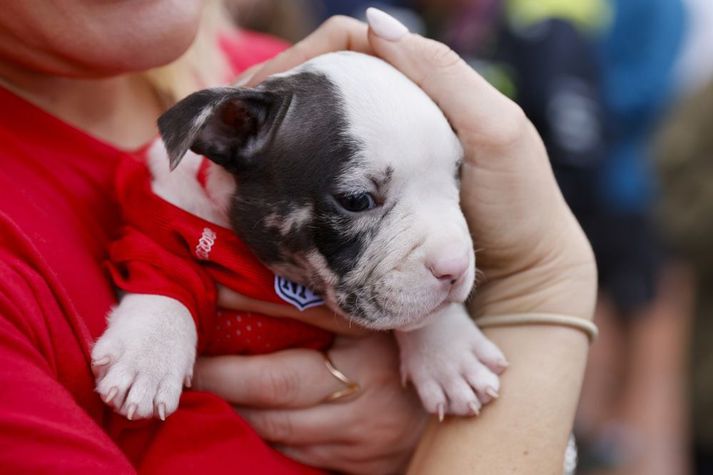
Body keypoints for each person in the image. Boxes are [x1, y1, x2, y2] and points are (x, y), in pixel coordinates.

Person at [0, 3, 596, 474]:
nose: (451, 255)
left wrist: (432, 425)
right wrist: (542, 293)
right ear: (220, 136)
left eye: (454, 175)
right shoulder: (252, 131)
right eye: (360, 200)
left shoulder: (310, 84)